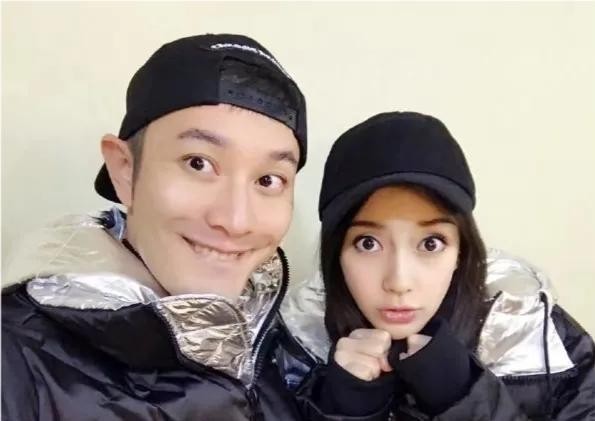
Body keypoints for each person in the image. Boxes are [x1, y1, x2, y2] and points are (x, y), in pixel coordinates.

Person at [2, 33, 316, 420]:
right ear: (124, 170)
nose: (236, 221)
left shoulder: (275, 340)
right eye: (198, 163)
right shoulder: (13, 361)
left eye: (268, 180)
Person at [289, 111, 595, 420]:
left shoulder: (537, 337)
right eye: (368, 243)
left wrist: (465, 398)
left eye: (430, 244)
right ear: (336, 254)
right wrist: (343, 409)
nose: (399, 282)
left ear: (462, 250)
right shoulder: (294, 350)